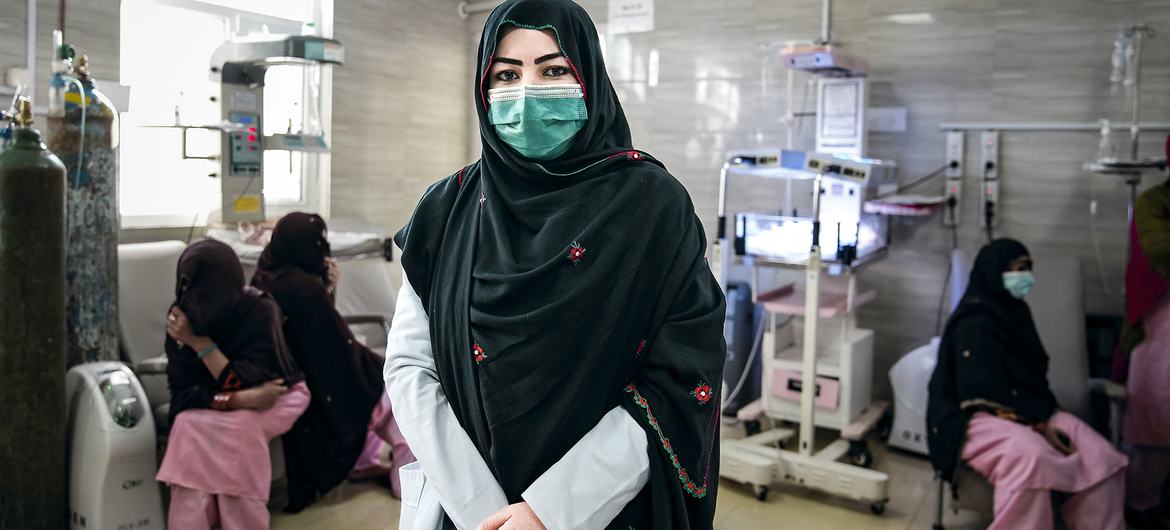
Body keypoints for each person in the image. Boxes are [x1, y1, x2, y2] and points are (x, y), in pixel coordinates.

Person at [385, 1, 727, 529]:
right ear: (483, 87)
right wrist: (487, 509)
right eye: (506, 73)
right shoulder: (446, 209)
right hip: (465, 509)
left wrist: (551, 511)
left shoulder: (651, 207)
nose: (527, 92)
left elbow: (683, 375)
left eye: (553, 70)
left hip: (601, 511)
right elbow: (411, 367)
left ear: (588, 75)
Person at [927, 239, 1128, 529]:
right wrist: (1039, 427)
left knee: (1102, 457)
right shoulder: (973, 323)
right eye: (1016, 269)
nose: (1025, 276)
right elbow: (981, 392)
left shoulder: (1018, 315)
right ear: (995, 272)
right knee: (1032, 457)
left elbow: (1032, 379)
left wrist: (1045, 419)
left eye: (1028, 268)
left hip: (1034, 408)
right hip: (974, 417)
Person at [250, 212, 414, 510]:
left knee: (380, 381)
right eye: (318, 243)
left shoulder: (264, 275)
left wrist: (325, 288)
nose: (322, 251)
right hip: (326, 380)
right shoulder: (303, 288)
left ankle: (366, 460)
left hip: (300, 374)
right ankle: (409, 488)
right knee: (402, 404)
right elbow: (335, 344)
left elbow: (318, 333)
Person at [157, 239, 310, 530]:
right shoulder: (182, 321)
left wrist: (201, 346)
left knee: (240, 430)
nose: (194, 300)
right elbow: (182, 397)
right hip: (230, 402)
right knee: (187, 426)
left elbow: (259, 383)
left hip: (280, 396)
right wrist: (196, 340)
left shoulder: (259, 309)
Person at [1120, 134, 1170, 529]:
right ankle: (1139, 503)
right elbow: (1158, 252)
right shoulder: (1154, 205)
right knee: (1151, 427)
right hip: (1157, 329)